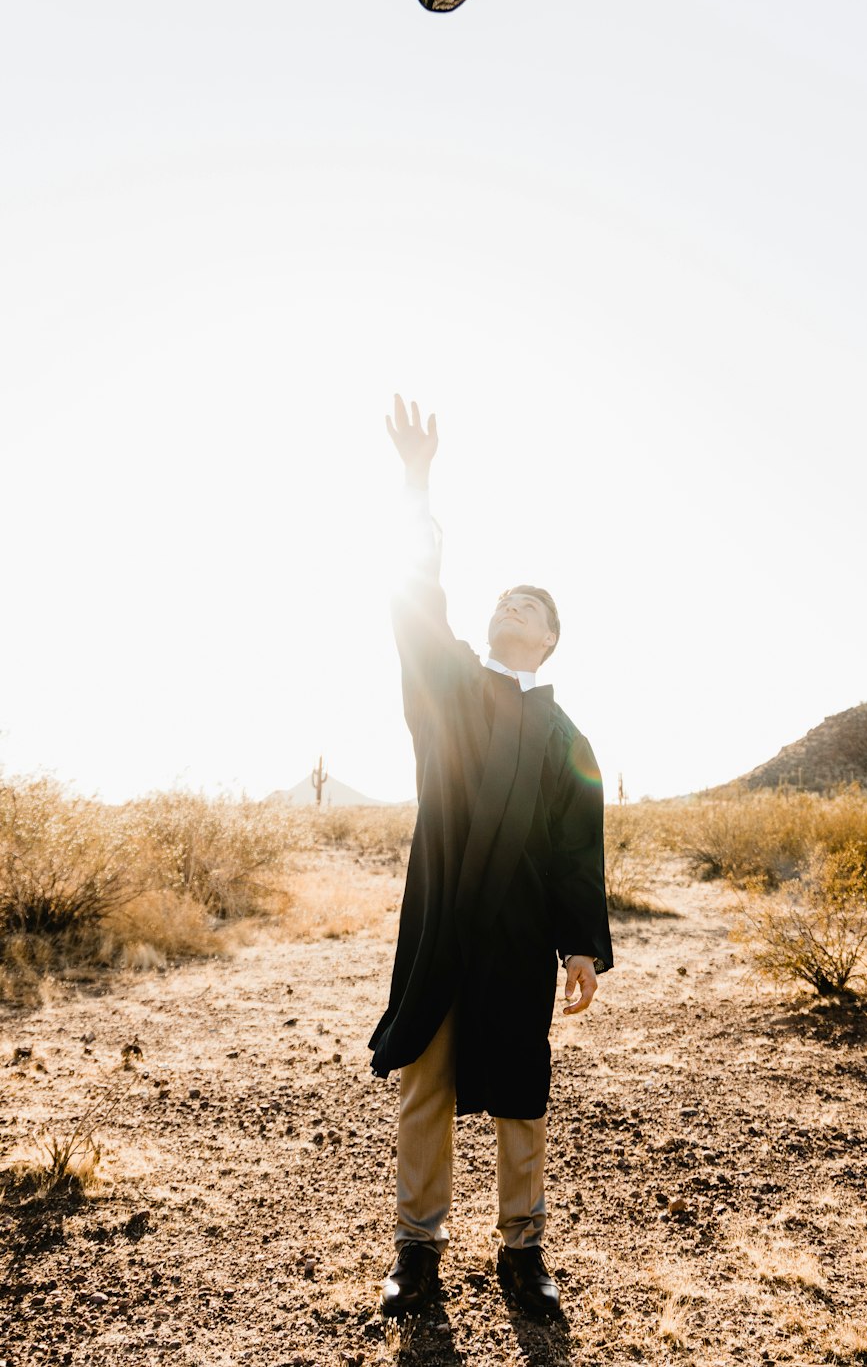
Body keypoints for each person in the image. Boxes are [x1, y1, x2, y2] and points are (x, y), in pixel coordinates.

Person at [370, 396, 613, 1320]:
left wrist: (580, 944)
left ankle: (523, 1253)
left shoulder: (568, 738)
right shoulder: (454, 686)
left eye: (535, 606)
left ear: (550, 641)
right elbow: (416, 602)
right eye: (506, 598)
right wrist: (417, 482)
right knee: (426, 1083)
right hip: (441, 919)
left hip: (516, 934)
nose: (516, 604)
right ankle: (416, 1251)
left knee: (520, 1086)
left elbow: (573, 852)